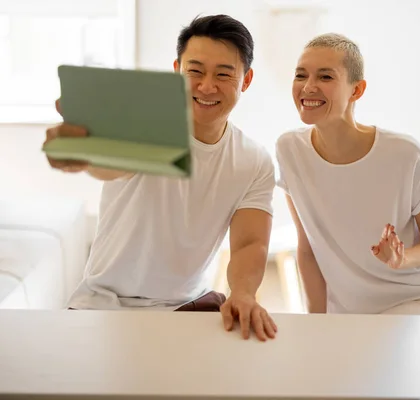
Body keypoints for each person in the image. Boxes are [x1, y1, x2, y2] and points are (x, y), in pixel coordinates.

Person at [44, 14, 278, 340]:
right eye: (194, 71)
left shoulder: (254, 161)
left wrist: (243, 292)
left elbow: (250, 243)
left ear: (246, 80)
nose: (207, 86)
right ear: (177, 70)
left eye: (223, 74)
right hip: (104, 303)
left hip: (187, 306)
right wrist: (80, 157)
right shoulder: (143, 127)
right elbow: (109, 165)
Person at [275, 33, 420, 315]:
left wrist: (402, 259)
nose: (308, 87)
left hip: (417, 300)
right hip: (349, 311)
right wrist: (315, 323)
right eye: (301, 75)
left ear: (356, 90)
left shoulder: (404, 154)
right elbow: (308, 249)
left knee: (382, 358)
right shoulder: (289, 149)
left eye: (325, 77)